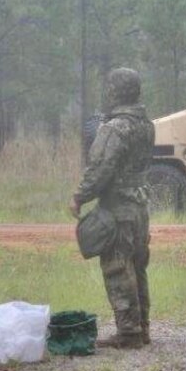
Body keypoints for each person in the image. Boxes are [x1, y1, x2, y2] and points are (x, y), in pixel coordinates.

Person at [69, 68, 155, 349]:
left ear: (114, 92)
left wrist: (80, 196)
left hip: (118, 208)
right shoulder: (146, 125)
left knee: (118, 267)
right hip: (140, 206)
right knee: (138, 267)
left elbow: (100, 168)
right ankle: (141, 328)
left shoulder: (115, 127)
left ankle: (128, 333)